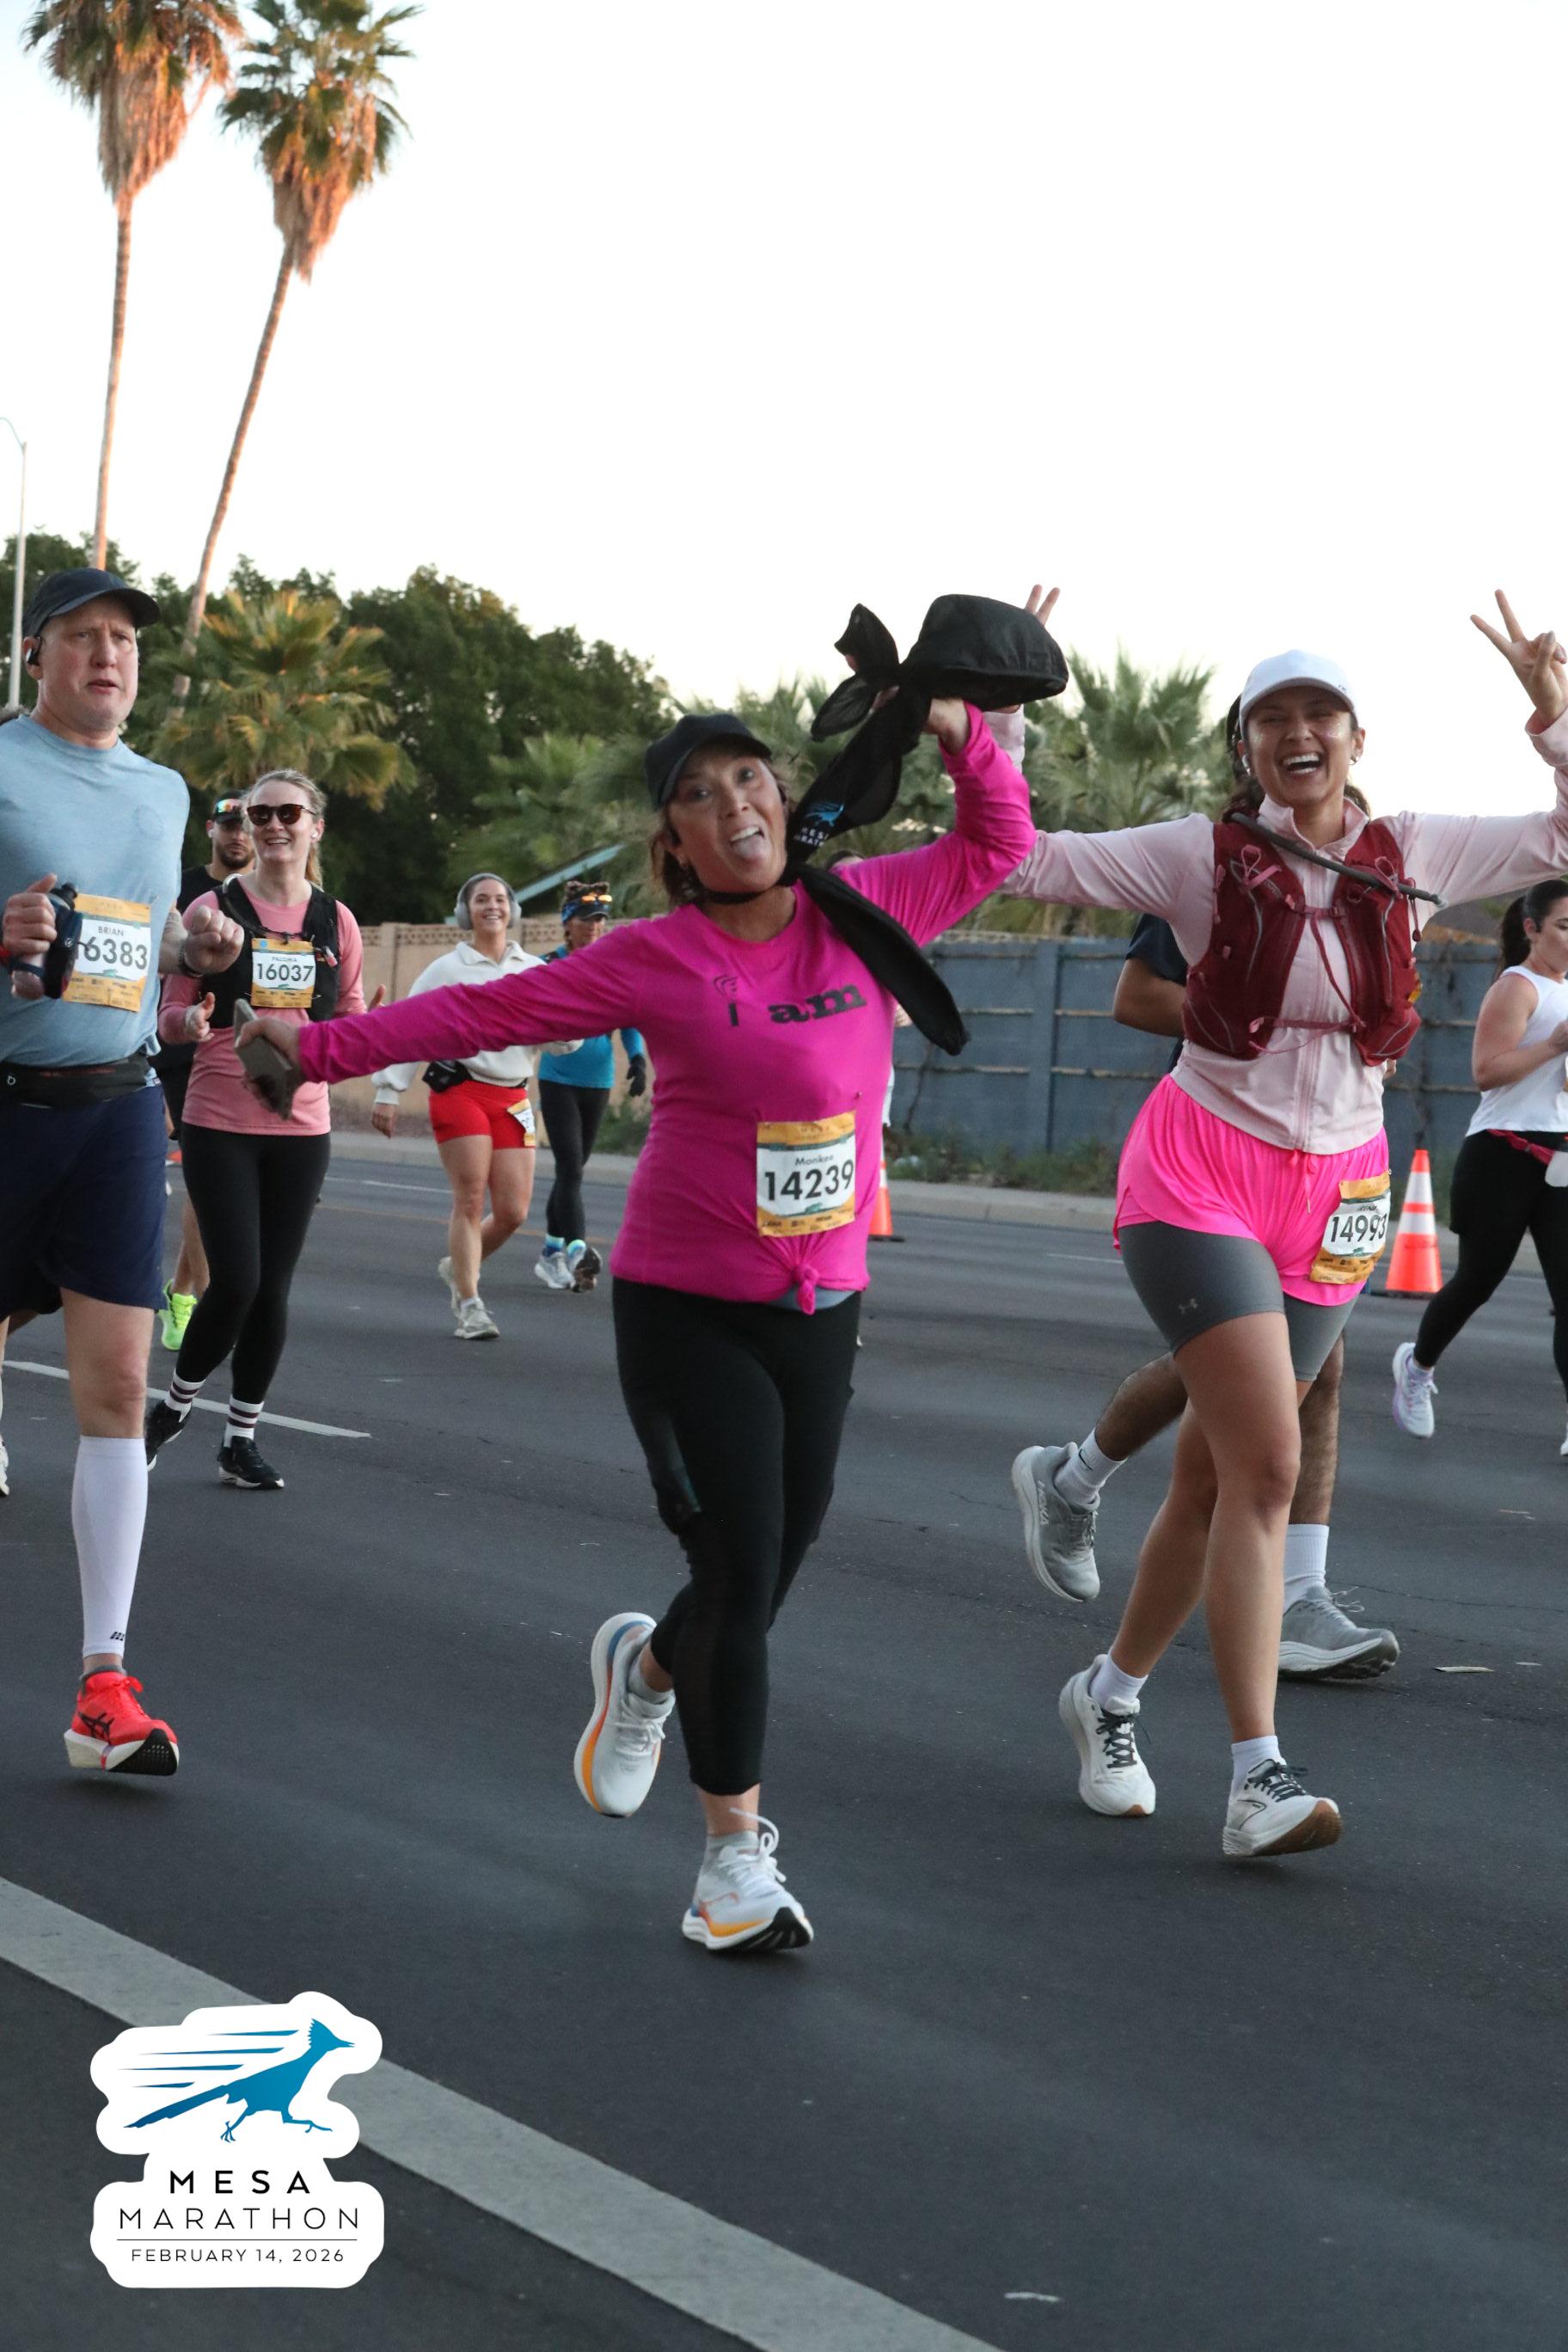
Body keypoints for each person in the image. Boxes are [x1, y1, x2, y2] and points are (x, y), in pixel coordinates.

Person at [243, 597, 1046, 1953]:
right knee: (737, 1567)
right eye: (698, 794)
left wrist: (959, 726)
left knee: (765, 1573)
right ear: (675, 842)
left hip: (823, 1301)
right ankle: (734, 1859)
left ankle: (647, 1664)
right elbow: (482, 1010)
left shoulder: (865, 911)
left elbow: (999, 841)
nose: (733, 804)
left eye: (749, 778)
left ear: (786, 799)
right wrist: (311, 1047)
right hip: (688, 1308)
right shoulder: (656, 957)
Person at [1004, 596, 1568, 1859]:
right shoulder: (1193, 856)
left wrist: (1555, 721)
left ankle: (1108, 1697)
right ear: (1247, 747)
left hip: (1343, 1188)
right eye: (1273, 720)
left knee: (1215, 1476)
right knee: (1265, 1463)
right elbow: (1025, 859)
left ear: (1358, 738)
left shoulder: (1415, 847)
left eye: (1322, 715)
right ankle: (1257, 1776)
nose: (1299, 733)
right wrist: (998, 734)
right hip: (1202, 1170)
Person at [1014, 900, 1401, 1684]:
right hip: (1220, 1153)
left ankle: (1080, 1482)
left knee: (1295, 1371)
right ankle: (1280, 1606)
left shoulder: (1382, 887)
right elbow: (1139, 996)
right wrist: (1284, 1032)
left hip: (1334, 1158)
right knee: (1259, 1378)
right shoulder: (1222, 867)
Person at [0, 567, 242, 1773]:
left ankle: (105, 1688)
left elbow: (144, 939)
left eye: (126, 640)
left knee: (118, 1384)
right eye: (85, 636)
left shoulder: (162, 791)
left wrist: (199, 948)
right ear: (35, 654)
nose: (110, 655)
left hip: (116, 1108)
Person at [144, 770, 366, 1490]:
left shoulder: (337, 920)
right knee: (236, 1279)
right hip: (220, 1118)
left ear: (315, 826)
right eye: (258, 814)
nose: (271, 825)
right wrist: (190, 1022)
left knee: (273, 1290)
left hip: (303, 1124)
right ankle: (172, 1409)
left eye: (287, 813)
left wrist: (359, 1037)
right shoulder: (213, 907)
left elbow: (351, 1016)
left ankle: (240, 1439)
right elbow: (168, 1014)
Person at [1392, 877, 1568, 1453]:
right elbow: (1487, 1071)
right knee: (1477, 1281)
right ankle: (1417, 1367)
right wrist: (1554, 1045)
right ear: (1532, 929)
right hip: (1501, 1154)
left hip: (1560, 1158)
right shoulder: (1516, 987)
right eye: (1564, 927)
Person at [370, 873, 548, 1338]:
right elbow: (407, 1026)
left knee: (513, 1211)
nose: (492, 906)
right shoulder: (447, 970)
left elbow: (560, 1034)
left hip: (514, 1097)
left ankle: (458, 1266)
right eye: (480, 899)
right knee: (469, 1199)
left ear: (512, 909)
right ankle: (470, 1305)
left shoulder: (533, 969)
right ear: (465, 911)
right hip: (461, 1091)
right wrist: (389, 1090)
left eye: (500, 899)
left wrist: (571, 1031)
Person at [154, 793, 255, 1351]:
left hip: (246, 1054)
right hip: (183, 1046)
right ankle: (208, 1299)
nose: (239, 834)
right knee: (206, 1176)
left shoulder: (268, 895)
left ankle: (181, 1290)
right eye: (229, 824)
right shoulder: (185, 887)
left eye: (248, 824)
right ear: (211, 830)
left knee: (222, 1186)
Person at [534, 881, 647, 1294]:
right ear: (568, 924)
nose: (595, 926)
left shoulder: (612, 968)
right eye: (586, 919)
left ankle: (550, 1252)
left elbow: (629, 1020)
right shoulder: (549, 966)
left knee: (573, 1170)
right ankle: (578, 1250)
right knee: (570, 1167)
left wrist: (637, 1058)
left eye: (600, 919)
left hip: (598, 1081)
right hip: (558, 1079)